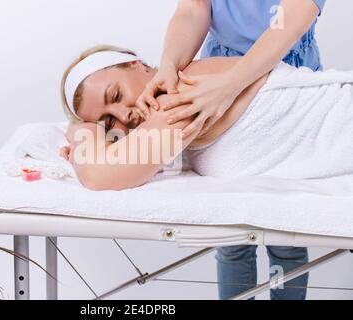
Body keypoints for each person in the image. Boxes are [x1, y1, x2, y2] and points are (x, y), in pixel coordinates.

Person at [60, 44, 353, 299]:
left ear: (136, 64)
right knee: (236, 248)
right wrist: (103, 138)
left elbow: (101, 176)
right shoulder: (161, 118)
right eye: (108, 119)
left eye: (116, 95)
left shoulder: (176, 93)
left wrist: (81, 132)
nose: (124, 115)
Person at [134, 0, 326, 300]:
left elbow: (291, 17)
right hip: (216, 85)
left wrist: (231, 85)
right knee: (233, 236)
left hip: (283, 83)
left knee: (286, 234)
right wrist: (170, 63)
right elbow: (192, 9)